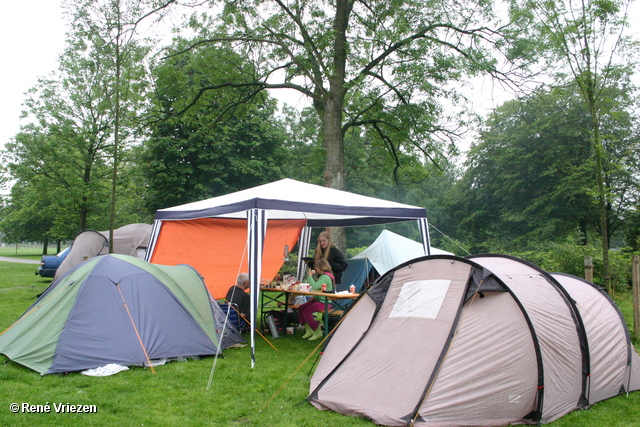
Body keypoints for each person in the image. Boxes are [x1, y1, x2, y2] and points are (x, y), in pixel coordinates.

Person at [298, 259, 334, 341]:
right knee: (301, 308)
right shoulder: (323, 276)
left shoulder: (325, 277)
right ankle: (309, 329)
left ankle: (316, 330)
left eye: (316, 267)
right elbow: (318, 288)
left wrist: (309, 276)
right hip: (318, 299)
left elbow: (314, 286)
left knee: (307, 312)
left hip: (324, 301)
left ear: (319, 267)